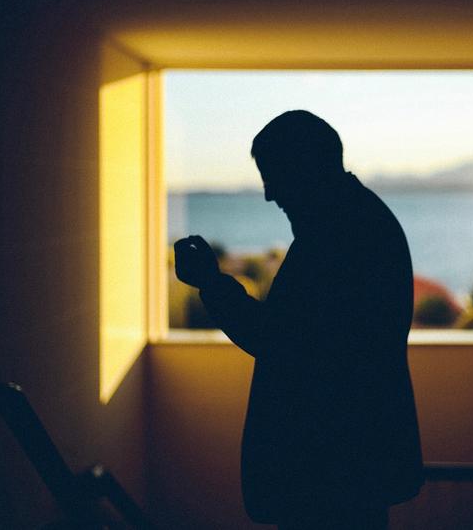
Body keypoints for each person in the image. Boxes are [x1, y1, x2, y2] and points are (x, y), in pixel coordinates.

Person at [174, 110, 423, 530]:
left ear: (306, 168)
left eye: (274, 176)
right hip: (346, 468)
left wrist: (213, 286)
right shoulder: (354, 223)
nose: (270, 195)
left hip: (330, 473)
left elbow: (285, 344)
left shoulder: (341, 237)